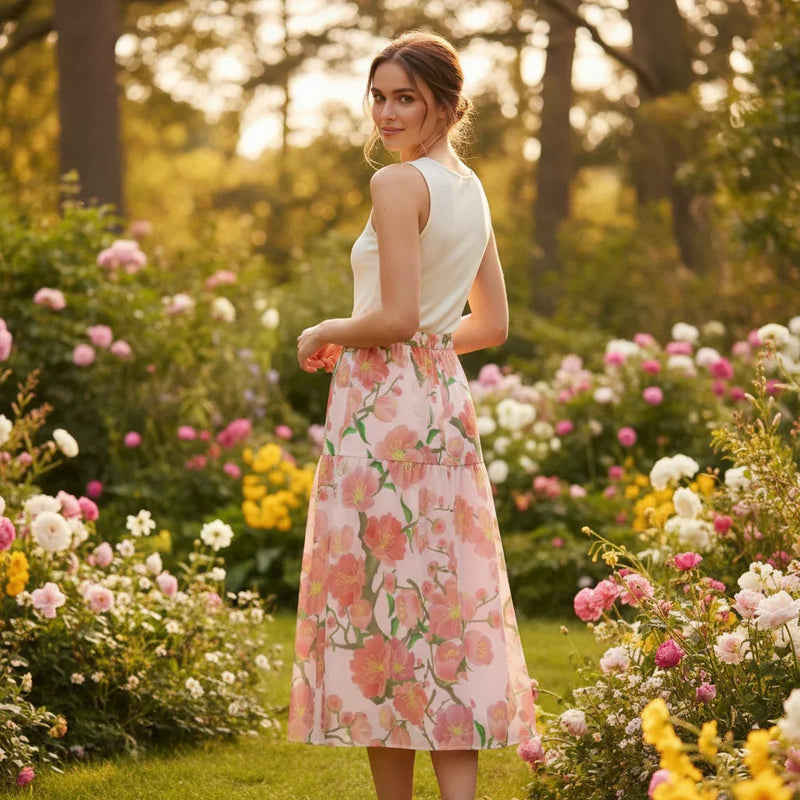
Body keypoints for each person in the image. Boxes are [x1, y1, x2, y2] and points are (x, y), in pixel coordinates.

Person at [288, 29, 537, 800]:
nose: (388, 113)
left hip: (382, 414)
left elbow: (393, 315)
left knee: (381, 614)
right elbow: (489, 325)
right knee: (439, 610)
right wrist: (424, 352)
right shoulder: (472, 187)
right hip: (441, 403)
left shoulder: (399, 186)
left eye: (407, 98)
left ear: (446, 106)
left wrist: (330, 331)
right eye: (381, 96)